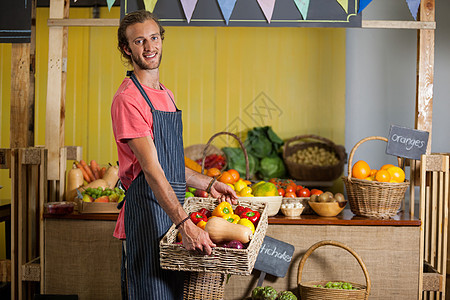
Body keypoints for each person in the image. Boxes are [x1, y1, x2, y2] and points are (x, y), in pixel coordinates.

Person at [111, 10, 238, 300]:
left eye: (154, 38)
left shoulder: (165, 94)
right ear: (126, 48)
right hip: (147, 216)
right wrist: (185, 224)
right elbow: (153, 170)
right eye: (139, 41)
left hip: (171, 215)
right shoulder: (128, 99)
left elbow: (170, 164)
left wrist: (208, 183)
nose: (149, 47)